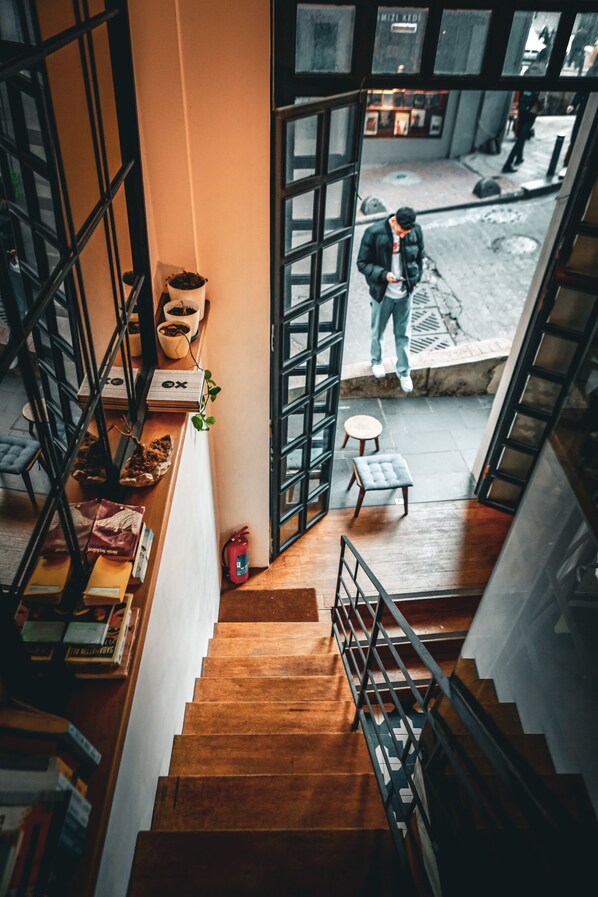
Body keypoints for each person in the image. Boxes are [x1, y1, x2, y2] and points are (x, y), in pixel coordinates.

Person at [356, 206, 424, 393]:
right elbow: (362, 263)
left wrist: (415, 279)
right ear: (393, 221)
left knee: (404, 334)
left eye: (406, 233)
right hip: (383, 294)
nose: (403, 236)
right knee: (378, 330)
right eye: (401, 232)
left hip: (404, 293)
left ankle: (404, 371)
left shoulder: (414, 231)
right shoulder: (374, 233)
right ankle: (376, 361)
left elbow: (419, 257)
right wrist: (384, 275)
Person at [501, 90, 544, 174]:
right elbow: (541, 97)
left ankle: (519, 157)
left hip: (522, 107)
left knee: (521, 135)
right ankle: (508, 164)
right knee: (521, 137)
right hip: (532, 110)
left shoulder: (528, 76)